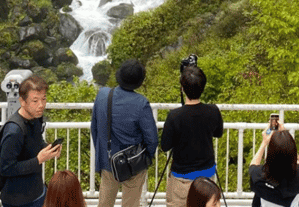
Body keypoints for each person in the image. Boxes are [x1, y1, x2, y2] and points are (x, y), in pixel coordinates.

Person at [91, 59, 158, 207]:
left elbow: (94, 128)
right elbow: (152, 139)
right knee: (131, 204)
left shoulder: (102, 95)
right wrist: (145, 159)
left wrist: (102, 153)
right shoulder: (141, 103)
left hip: (108, 159)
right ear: (139, 81)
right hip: (133, 163)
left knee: (104, 203)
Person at [161, 65, 224, 207]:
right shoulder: (213, 111)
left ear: (182, 89)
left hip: (181, 179)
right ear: (203, 87)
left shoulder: (174, 116)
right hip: (207, 178)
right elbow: (218, 133)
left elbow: (165, 146)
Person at [0, 75, 62, 207]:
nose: (41, 105)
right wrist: (38, 160)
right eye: (35, 101)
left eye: (43, 99)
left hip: (37, 192)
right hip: (18, 200)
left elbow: (36, 143)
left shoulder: (36, 118)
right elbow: (6, 168)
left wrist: (49, 148)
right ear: (22, 101)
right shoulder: (14, 130)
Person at [249, 127, 299, 207]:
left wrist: (264, 143)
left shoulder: (259, 177)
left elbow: (253, 166)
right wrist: (287, 138)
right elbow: (297, 162)